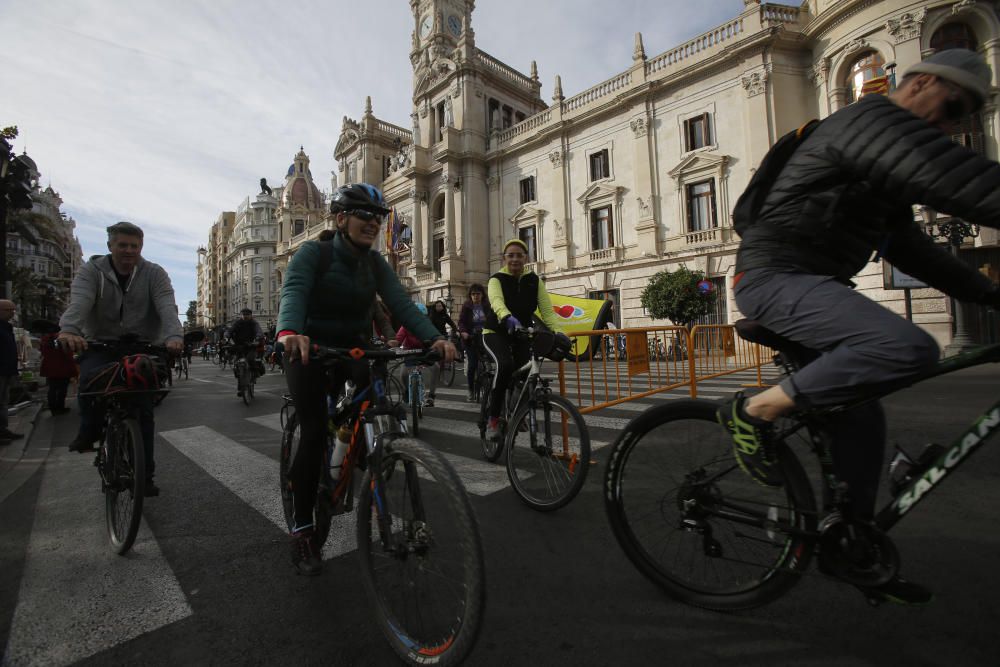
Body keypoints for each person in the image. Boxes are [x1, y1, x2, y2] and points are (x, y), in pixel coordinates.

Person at [717, 49, 1000, 605]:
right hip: (775, 274)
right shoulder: (870, 121)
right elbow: (960, 180)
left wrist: (989, 293)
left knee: (860, 406)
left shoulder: (885, 161)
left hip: (815, 283)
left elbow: (908, 247)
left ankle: (851, 541)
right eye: (949, 106)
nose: (949, 124)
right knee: (903, 346)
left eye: (963, 115)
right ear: (919, 82)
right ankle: (755, 409)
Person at [277, 183, 456, 576]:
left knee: (369, 406)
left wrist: (435, 338)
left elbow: (402, 304)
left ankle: (355, 453)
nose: (373, 224)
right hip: (309, 349)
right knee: (311, 432)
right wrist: (290, 332)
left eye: (378, 218)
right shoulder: (314, 253)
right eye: (364, 215)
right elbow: (293, 291)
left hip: (355, 347)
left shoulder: (376, 264)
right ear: (341, 219)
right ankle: (303, 530)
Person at [58, 221, 184, 497]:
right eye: (122, 245)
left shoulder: (154, 273)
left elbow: (167, 306)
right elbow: (79, 303)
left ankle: (145, 476)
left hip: (142, 346)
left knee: (144, 409)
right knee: (89, 383)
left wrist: (174, 337)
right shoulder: (92, 271)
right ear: (110, 246)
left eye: (134, 246)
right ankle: (89, 432)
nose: (129, 251)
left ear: (141, 247)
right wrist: (69, 330)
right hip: (99, 343)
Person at [482, 239, 569, 440]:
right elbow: (496, 302)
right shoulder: (496, 279)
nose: (514, 259)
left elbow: (547, 312)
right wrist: (506, 317)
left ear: (526, 258)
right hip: (496, 332)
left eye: (519, 255)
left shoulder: (534, 280)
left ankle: (515, 411)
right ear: (504, 259)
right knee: (504, 366)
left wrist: (558, 332)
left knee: (527, 372)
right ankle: (493, 419)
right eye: (510, 255)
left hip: (522, 332)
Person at [396, 303, 438, 407]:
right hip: (409, 351)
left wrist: (436, 345)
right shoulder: (405, 326)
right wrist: (394, 344)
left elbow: (435, 337)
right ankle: (406, 391)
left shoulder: (428, 326)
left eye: (423, 316)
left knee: (436, 367)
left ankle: (431, 396)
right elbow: (398, 338)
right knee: (403, 374)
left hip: (425, 351)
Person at [457, 284, 489, 402]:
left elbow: (492, 319)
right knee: (472, 365)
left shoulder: (487, 305)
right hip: (471, 338)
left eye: (478, 294)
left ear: (482, 295)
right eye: (473, 294)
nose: (475, 296)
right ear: (470, 295)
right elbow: (461, 322)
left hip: (485, 337)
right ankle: (470, 390)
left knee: (488, 364)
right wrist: (464, 332)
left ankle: (489, 385)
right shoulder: (467, 306)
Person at [0, 300, 24, 445]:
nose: (12, 313)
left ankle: (2, 429)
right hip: (1, 370)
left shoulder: (6, 328)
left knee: (3, 402)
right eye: (10, 310)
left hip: (7, 370)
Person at [225, 308, 264, 396]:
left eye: (247, 314)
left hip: (251, 345)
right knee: (238, 367)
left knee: (251, 360)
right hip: (239, 346)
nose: (245, 316)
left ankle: (254, 375)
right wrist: (227, 337)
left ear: (251, 315)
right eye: (243, 314)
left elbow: (259, 331)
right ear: (241, 315)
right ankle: (240, 388)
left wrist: (257, 338)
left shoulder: (254, 323)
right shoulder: (237, 323)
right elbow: (229, 331)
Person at [39, 330, 77, 415]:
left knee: (52, 388)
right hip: (62, 367)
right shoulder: (60, 339)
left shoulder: (45, 340)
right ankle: (60, 407)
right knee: (62, 389)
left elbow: (43, 351)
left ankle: (53, 408)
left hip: (50, 368)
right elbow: (66, 352)